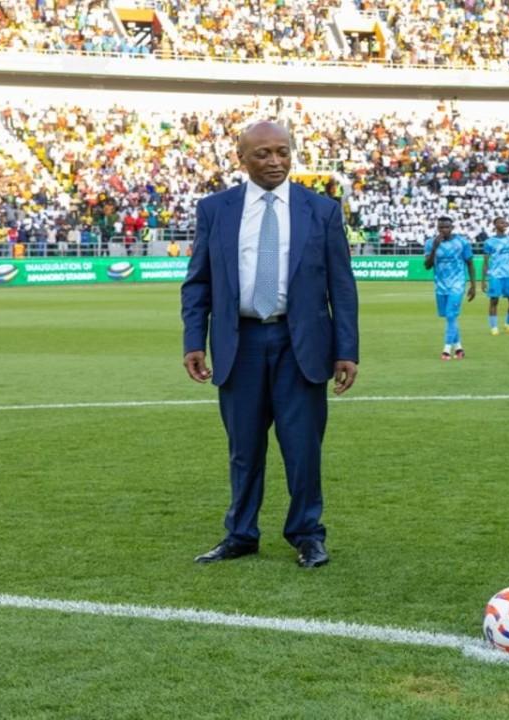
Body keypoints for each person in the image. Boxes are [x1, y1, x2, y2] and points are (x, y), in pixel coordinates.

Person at [181, 121, 359, 569]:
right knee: (244, 449)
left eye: (283, 151)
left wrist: (347, 350)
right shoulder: (215, 210)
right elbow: (197, 282)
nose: (275, 161)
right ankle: (241, 534)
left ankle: (307, 534)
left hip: (301, 344)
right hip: (238, 343)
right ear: (241, 158)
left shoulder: (321, 210)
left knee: (302, 448)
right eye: (262, 153)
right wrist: (193, 340)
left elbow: (342, 286)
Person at [423, 216, 475, 359]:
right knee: (449, 317)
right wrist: (434, 248)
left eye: (446, 227)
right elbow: (427, 266)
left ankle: (446, 350)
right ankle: (459, 348)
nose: (443, 230)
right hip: (440, 286)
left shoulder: (462, 242)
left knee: (451, 315)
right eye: (441, 227)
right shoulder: (430, 243)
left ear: (452, 228)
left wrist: (473, 285)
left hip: (457, 284)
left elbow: (470, 263)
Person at [482, 216, 509, 335]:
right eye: (501, 223)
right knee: (494, 300)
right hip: (495, 275)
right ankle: (494, 327)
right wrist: (483, 280)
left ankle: (508, 324)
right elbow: (485, 262)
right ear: (495, 225)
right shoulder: (489, 242)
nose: (504, 224)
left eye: (505, 222)